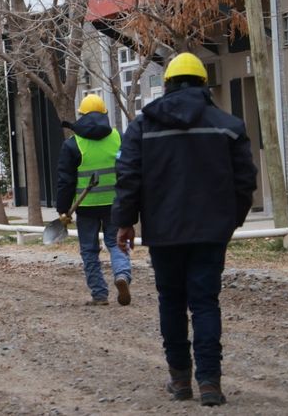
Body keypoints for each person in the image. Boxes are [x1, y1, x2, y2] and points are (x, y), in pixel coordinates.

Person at [112, 52, 257, 406]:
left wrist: (125, 222)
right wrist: (230, 221)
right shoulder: (228, 125)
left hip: (164, 233)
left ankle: (180, 381)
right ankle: (210, 383)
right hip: (210, 233)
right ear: (204, 85)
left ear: (167, 85)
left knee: (172, 302)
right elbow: (245, 182)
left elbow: (128, 177)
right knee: (206, 303)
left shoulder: (143, 126)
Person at [56, 94, 132, 306]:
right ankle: (122, 275)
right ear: (105, 115)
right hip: (114, 204)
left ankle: (99, 294)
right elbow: (128, 170)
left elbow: (65, 181)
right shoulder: (118, 137)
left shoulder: (73, 144)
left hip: (86, 207)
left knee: (89, 250)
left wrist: (62, 209)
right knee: (116, 243)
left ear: (81, 115)